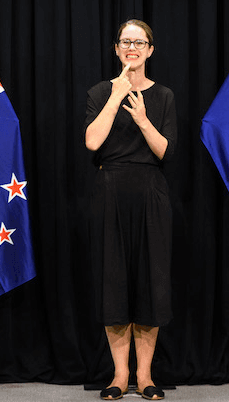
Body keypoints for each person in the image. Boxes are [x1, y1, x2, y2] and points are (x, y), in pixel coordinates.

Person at [84, 20, 176, 401]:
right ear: (117, 49)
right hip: (110, 192)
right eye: (126, 42)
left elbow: (165, 151)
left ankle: (145, 374)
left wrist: (141, 118)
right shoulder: (98, 92)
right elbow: (92, 142)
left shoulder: (165, 96)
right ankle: (120, 376)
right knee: (115, 283)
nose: (132, 47)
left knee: (149, 284)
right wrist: (115, 96)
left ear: (150, 50)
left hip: (151, 192)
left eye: (140, 42)